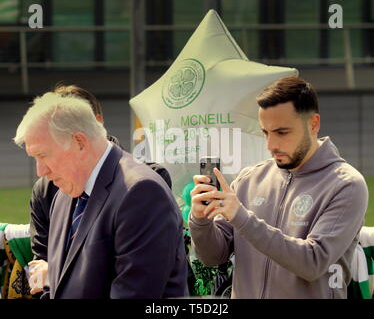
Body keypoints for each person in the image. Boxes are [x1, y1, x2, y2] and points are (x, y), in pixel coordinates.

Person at [189, 76, 369, 298]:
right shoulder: (249, 179)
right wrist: (200, 221)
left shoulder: (346, 185)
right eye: (265, 132)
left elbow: (312, 263)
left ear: (313, 124)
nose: (271, 145)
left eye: (282, 132)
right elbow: (213, 257)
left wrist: (241, 217)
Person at [15, 92, 188, 298]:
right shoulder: (64, 193)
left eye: (43, 155)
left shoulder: (141, 193)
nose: (40, 171)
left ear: (79, 142)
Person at [29, 85, 172, 265]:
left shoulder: (146, 182)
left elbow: (140, 271)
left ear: (96, 124)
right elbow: (41, 261)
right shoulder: (47, 188)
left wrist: (53, 276)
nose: (42, 170)